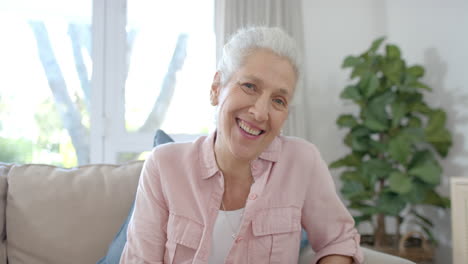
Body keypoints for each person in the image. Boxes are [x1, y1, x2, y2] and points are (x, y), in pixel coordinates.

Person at [120, 27, 364, 264]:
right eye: (249, 86)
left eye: (278, 100)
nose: (260, 113)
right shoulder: (164, 166)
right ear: (216, 88)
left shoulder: (302, 162)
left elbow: (339, 241)